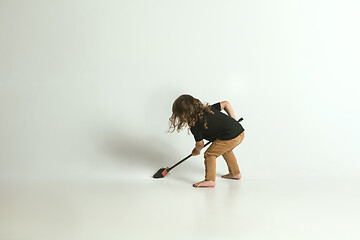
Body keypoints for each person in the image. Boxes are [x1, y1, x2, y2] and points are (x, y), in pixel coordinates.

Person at [168, 94, 245, 188]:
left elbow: (200, 144)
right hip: (239, 132)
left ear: (183, 114)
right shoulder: (209, 109)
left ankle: (210, 180)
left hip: (230, 136)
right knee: (225, 150)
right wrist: (233, 120)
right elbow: (226, 104)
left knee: (210, 154)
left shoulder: (195, 125)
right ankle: (235, 173)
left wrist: (196, 151)